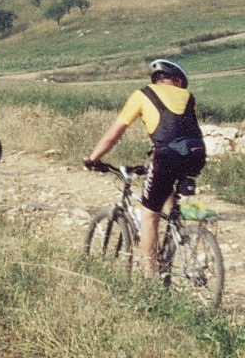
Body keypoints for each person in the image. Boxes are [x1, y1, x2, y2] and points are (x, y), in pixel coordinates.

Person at [84, 59, 206, 277]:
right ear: (177, 80)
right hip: (197, 154)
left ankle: (150, 278)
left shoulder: (142, 94)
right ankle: (175, 232)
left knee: (149, 215)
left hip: (167, 155)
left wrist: (93, 158)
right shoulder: (189, 97)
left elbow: (116, 132)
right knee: (166, 186)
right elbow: (183, 130)